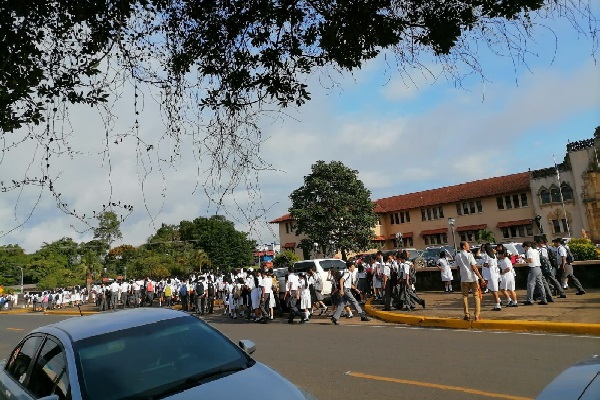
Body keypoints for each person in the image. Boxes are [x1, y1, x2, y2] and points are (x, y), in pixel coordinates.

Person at [331, 260, 371, 325]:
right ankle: (362, 316)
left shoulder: (350, 274)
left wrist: (356, 290)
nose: (354, 268)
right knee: (354, 301)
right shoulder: (347, 273)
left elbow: (350, 284)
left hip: (346, 289)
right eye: (353, 266)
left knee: (342, 304)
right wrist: (341, 290)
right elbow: (341, 281)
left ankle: (334, 318)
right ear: (349, 267)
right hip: (346, 290)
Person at [455, 241, 484, 321]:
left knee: (465, 296)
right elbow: (474, 268)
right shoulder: (469, 255)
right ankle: (477, 314)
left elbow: (458, 268)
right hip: (472, 278)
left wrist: (459, 277)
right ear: (464, 247)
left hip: (464, 278)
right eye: (467, 245)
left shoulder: (457, 256)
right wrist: (481, 278)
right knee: (476, 296)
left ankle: (467, 314)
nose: (469, 246)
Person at [523, 241, 548, 306]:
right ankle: (544, 299)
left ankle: (530, 300)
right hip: (538, 268)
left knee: (530, 285)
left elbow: (530, 260)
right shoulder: (536, 250)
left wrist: (524, 259)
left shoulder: (529, 251)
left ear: (526, 246)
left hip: (533, 268)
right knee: (540, 284)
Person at [482, 244, 501, 311]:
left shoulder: (487, 256)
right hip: (493, 273)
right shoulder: (494, 256)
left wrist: (485, 265)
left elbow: (485, 264)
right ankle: (498, 300)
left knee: (494, 290)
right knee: (491, 289)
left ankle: (498, 305)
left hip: (491, 274)